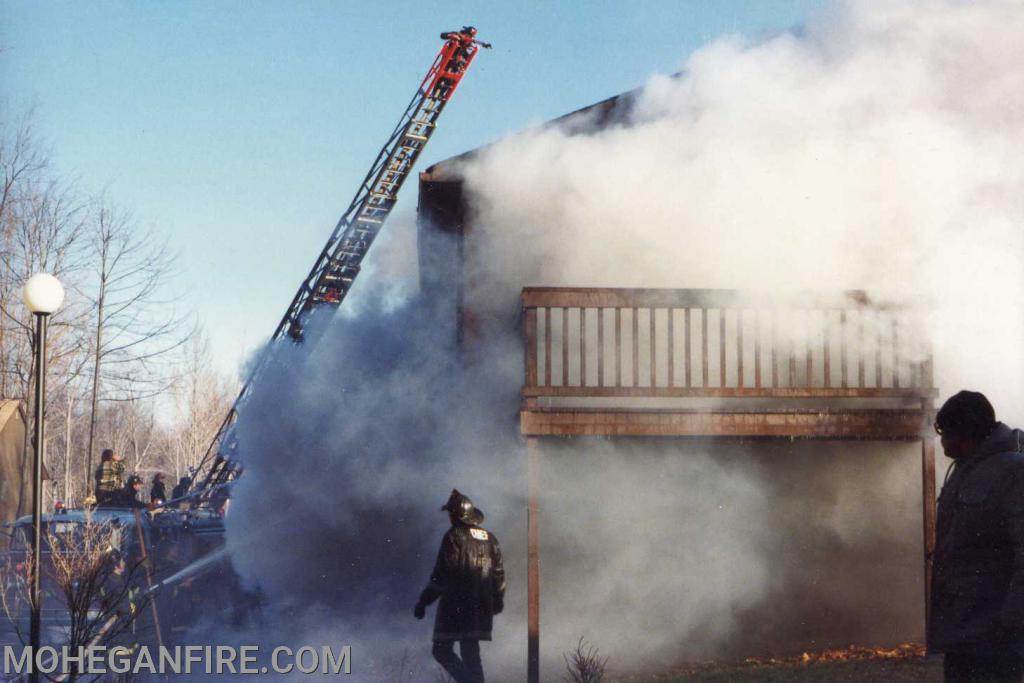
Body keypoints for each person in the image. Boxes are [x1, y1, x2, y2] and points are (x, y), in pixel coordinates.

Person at [930, 390, 1024, 682]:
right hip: (962, 630)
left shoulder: (1014, 470)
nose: (942, 441)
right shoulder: (962, 470)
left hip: (996, 635)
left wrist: (1011, 621)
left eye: (946, 433)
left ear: (966, 433)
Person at [414, 489, 505, 683]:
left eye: (450, 514)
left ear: (456, 516)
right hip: (481, 606)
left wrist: (424, 601)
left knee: (440, 649)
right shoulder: (490, 538)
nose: (449, 518)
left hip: (456, 607)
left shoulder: (453, 537)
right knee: (471, 653)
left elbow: (442, 574)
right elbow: (498, 574)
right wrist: (497, 600)